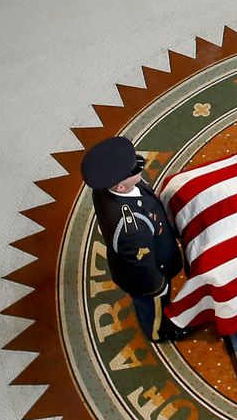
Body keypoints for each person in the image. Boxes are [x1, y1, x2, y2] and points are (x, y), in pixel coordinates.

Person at [80, 137, 188, 342]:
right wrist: (159, 286)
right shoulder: (132, 228)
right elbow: (142, 268)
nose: (139, 164)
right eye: (133, 170)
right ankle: (158, 332)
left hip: (142, 257)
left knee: (149, 303)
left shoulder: (106, 187)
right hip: (148, 278)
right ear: (121, 187)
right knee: (153, 307)